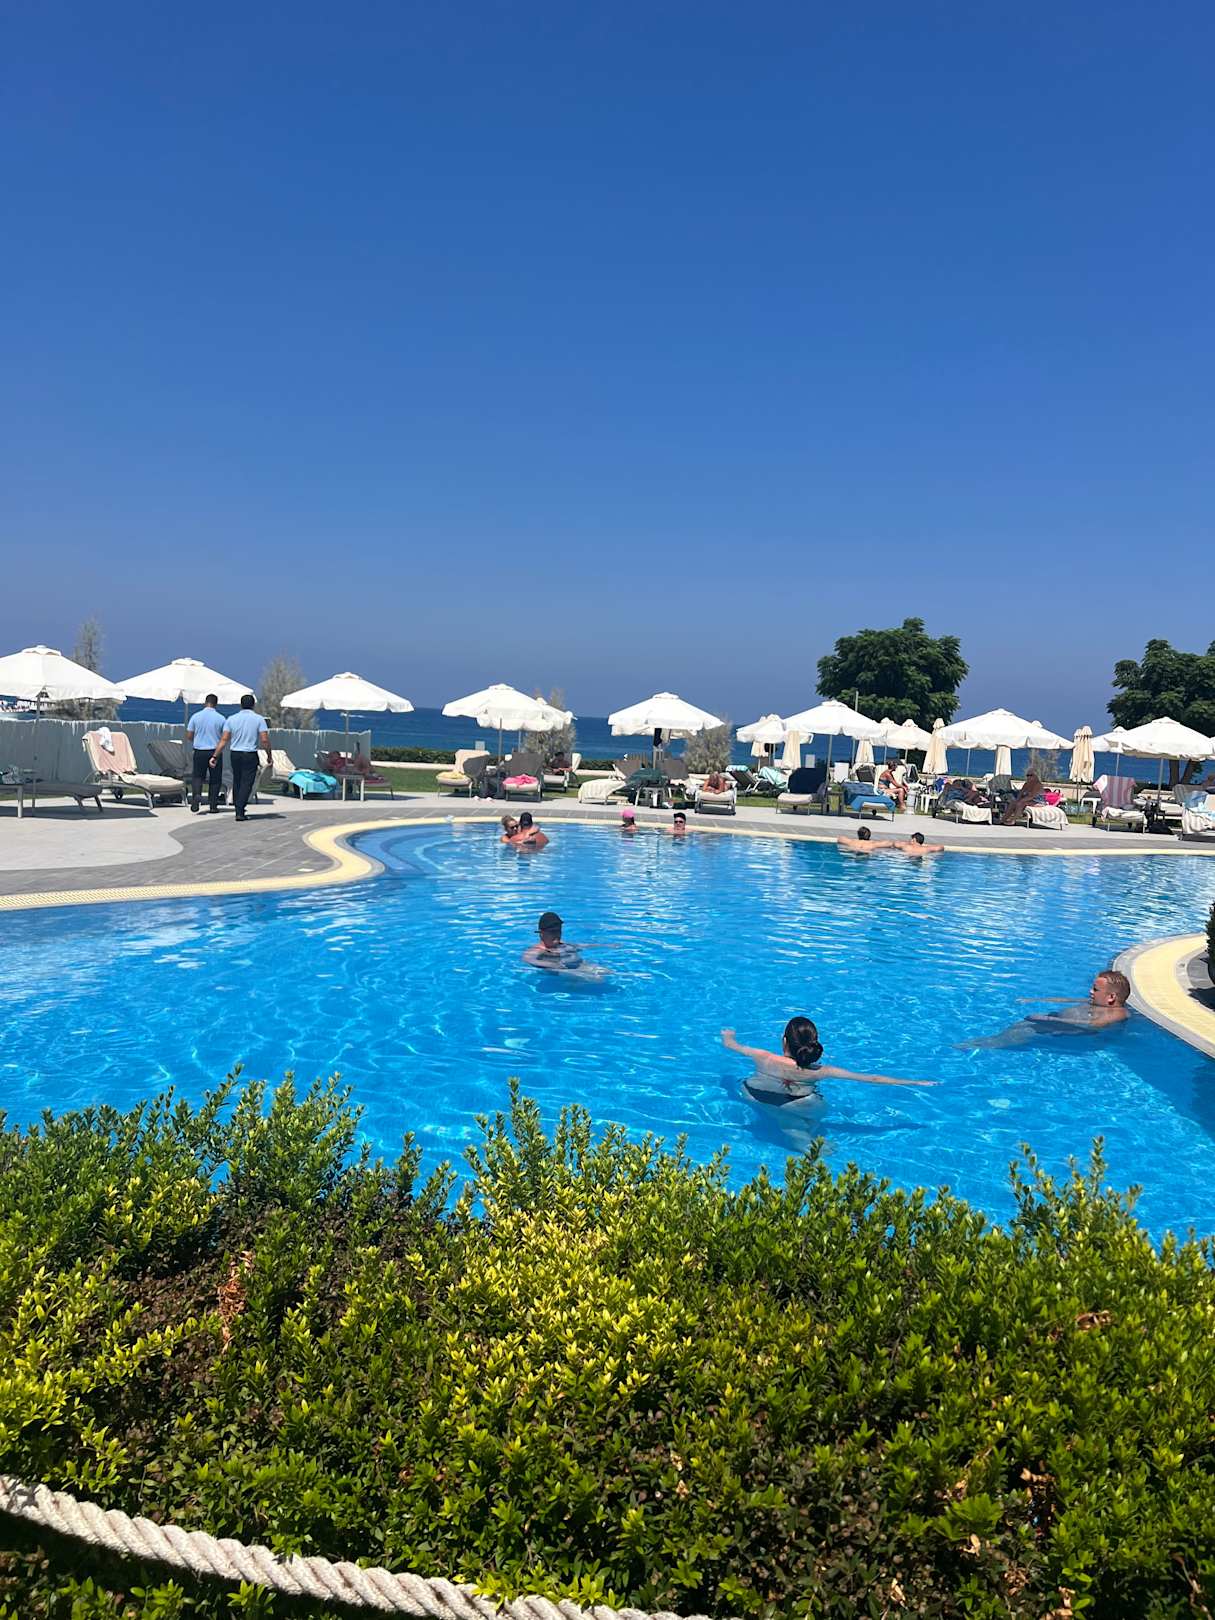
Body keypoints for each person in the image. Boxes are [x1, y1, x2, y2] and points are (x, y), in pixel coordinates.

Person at [722, 1020, 936, 1101]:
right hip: (799, 1103)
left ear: (784, 1040)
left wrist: (728, 1035)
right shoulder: (821, 1071)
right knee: (811, 1104)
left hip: (757, 1097)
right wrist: (915, 1082)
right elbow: (872, 1078)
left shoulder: (763, 1056)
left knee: (743, 1085)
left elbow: (732, 1046)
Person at [959, 970, 1131, 1049]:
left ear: (1111, 997)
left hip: (1066, 1029)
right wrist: (1035, 1000)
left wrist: (1052, 1020)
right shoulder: (1097, 1002)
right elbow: (1066, 1000)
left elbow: (1096, 1024)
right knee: (1020, 1026)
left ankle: (985, 1046)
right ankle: (989, 1040)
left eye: (1095, 989)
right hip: (1054, 1022)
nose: (1090, 991)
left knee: (1024, 1032)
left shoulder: (1118, 1013)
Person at [211, 694, 271, 823]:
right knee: (247, 782)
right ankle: (240, 809)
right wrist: (269, 756)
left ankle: (239, 809)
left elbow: (224, 739)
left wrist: (215, 755)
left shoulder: (231, 719)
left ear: (241, 705)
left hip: (235, 754)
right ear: (253, 705)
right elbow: (264, 740)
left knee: (237, 781)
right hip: (250, 753)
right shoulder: (259, 719)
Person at [522, 911, 608, 977]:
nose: (557, 935)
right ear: (541, 933)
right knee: (596, 979)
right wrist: (551, 965)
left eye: (559, 931)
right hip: (561, 973)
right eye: (552, 932)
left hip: (578, 967)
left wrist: (606, 946)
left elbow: (580, 946)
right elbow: (528, 959)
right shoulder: (536, 951)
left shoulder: (562, 944)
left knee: (607, 972)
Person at [185, 692, 226, 814]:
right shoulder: (221, 718)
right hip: (215, 751)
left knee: (197, 776)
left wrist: (197, 740)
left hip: (199, 750)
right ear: (216, 704)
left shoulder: (195, 716)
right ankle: (213, 805)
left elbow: (189, 735)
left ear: (205, 702)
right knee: (215, 779)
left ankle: (196, 796)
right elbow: (224, 737)